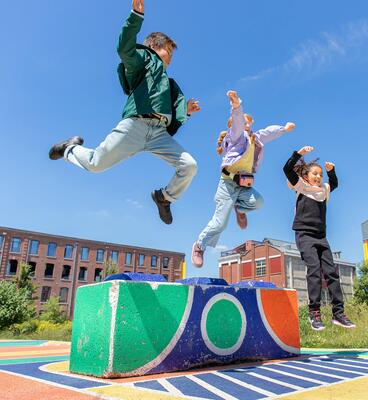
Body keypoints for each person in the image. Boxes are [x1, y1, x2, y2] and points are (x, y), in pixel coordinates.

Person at [48, 0, 200, 225]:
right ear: (153, 47)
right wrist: (135, 17)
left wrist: (185, 112)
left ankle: (164, 198)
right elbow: (125, 49)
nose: (171, 57)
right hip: (135, 126)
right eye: (168, 51)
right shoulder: (144, 61)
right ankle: (69, 148)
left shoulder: (171, 84)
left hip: (159, 134)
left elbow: (175, 121)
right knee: (96, 164)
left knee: (189, 165)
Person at [191, 90, 296, 267]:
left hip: (244, 184)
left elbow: (268, 133)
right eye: (245, 122)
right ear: (233, 125)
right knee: (220, 223)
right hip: (227, 184)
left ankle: (239, 209)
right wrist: (236, 106)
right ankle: (199, 245)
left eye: (250, 123)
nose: (247, 125)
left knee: (258, 202)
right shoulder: (235, 136)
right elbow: (238, 121)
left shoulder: (255, 138)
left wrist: (283, 129)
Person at [283, 146, 355, 330]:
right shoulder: (300, 186)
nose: (318, 177)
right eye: (315, 173)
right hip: (304, 235)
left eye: (320, 175)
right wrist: (298, 154)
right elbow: (286, 169)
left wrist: (332, 172)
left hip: (322, 237)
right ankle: (314, 312)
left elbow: (335, 184)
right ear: (306, 176)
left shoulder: (323, 190)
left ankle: (338, 313)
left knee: (332, 273)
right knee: (314, 270)